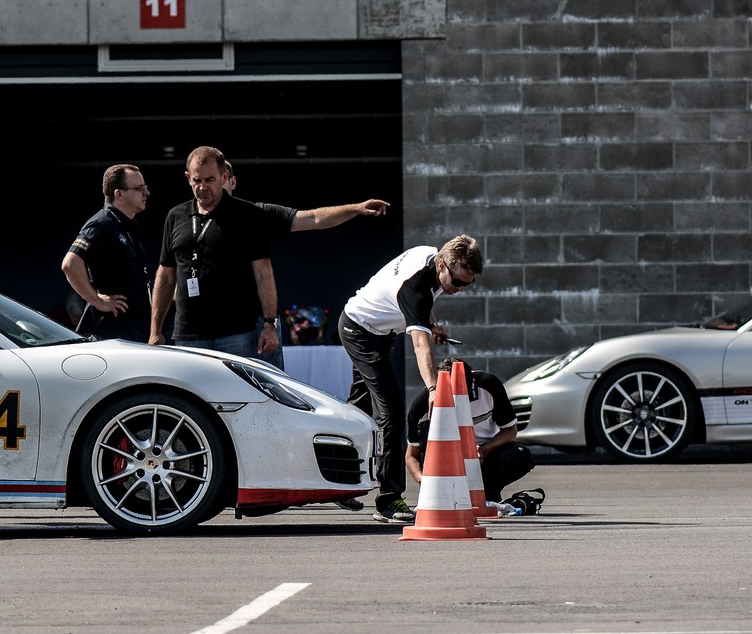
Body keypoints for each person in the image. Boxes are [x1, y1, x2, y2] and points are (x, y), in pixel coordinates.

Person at [148, 145, 391, 360]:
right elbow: (167, 274)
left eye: (213, 180)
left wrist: (355, 208)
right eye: (197, 181)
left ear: (228, 180)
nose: (205, 188)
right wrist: (156, 327)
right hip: (193, 328)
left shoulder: (254, 214)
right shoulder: (178, 217)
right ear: (189, 179)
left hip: (245, 326)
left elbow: (313, 218)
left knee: (258, 390)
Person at [337, 235, 485, 524]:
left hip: (378, 332)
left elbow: (421, 305)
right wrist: (433, 389)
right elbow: (420, 345)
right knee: (390, 411)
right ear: (442, 266)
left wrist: (431, 323)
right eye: (458, 282)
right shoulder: (414, 288)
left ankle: (340, 482)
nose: (460, 289)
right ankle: (388, 500)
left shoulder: (430, 257)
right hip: (360, 331)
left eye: (469, 283)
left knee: (357, 409)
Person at [405, 367, 535, 505]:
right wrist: (426, 484)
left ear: (472, 382)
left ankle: (486, 494)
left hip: (483, 457)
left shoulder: (489, 385)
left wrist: (485, 449)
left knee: (521, 456)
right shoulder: (421, 406)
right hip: (445, 464)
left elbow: (510, 430)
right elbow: (411, 455)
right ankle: (448, 497)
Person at [62, 163, 155, 341]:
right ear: (118, 194)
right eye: (139, 188)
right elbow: (70, 264)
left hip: (134, 330)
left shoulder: (126, 227)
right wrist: (97, 300)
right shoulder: (101, 224)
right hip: (113, 333)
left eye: (145, 187)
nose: (146, 193)